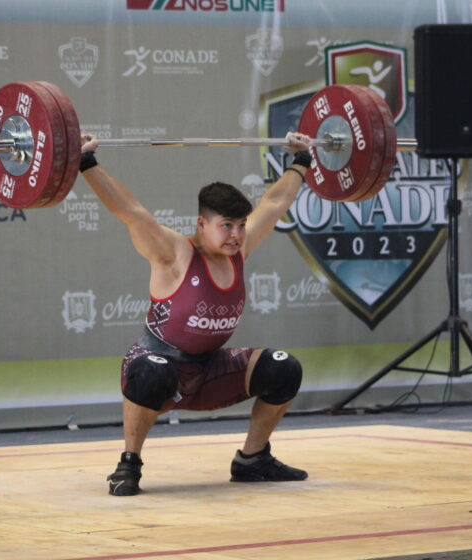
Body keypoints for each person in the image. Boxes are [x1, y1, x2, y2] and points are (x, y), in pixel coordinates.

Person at [79, 131, 312, 496]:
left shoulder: (239, 248)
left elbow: (274, 203)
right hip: (161, 366)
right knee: (149, 372)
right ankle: (129, 464)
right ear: (202, 224)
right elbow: (130, 212)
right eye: (226, 226)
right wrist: (85, 162)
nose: (236, 235)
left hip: (210, 369)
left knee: (283, 368)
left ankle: (252, 460)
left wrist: (301, 160)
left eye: (239, 226)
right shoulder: (174, 253)